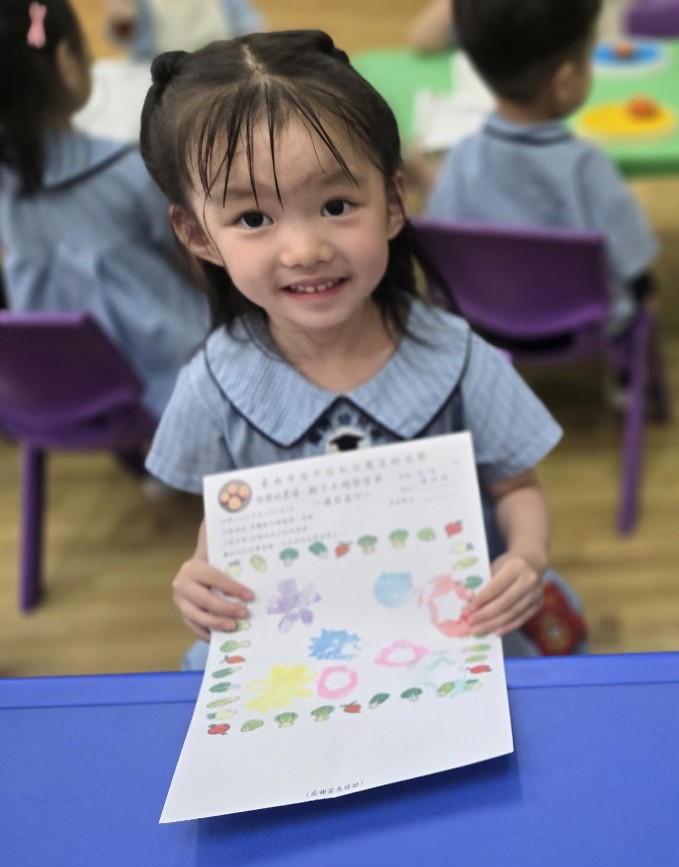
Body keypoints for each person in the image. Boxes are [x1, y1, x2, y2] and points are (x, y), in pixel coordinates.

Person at [139, 30, 571, 661]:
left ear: (393, 203)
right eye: (253, 219)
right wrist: (200, 576)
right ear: (198, 235)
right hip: (298, 644)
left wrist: (527, 558)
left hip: (455, 630)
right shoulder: (213, 384)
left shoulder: (456, 358)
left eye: (337, 205)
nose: (305, 250)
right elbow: (231, 515)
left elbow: (516, 487)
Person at [0, 0, 208, 419]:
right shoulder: (129, 171)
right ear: (66, 61)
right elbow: (196, 262)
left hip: (58, 388)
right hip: (167, 379)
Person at [424, 0, 658, 342]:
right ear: (565, 82)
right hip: (582, 325)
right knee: (645, 293)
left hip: (485, 318)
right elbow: (635, 259)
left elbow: (440, 253)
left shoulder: (461, 160)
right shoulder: (587, 166)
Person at [104, 0, 261, 60]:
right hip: (153, 73)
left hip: (214, 68)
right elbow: (122, 36)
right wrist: (120, 19)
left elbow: (250, 27)